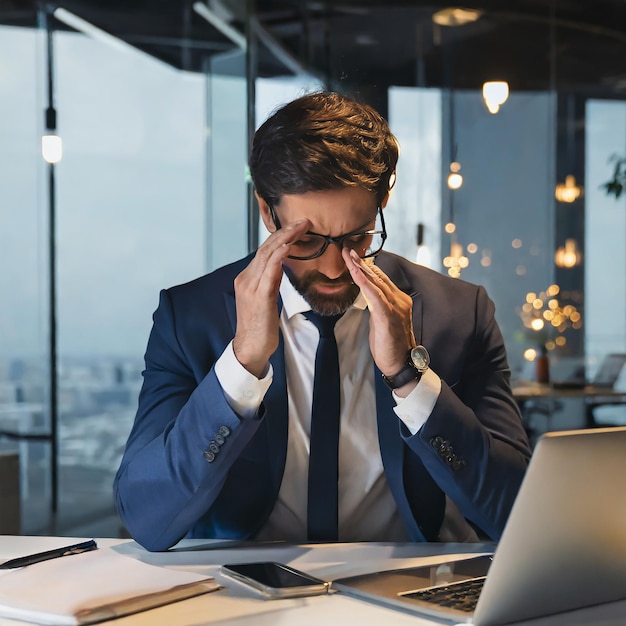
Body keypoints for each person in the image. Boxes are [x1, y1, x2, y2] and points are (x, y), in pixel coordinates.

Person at [114, 91, 531, 552]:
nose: (334, 267)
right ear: (266, 211)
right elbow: (147, 517)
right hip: (244, 596)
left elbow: (516, 513)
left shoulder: (459, 313)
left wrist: (410, 378)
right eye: (308, 239)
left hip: (410, 592)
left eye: (357, 236)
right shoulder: (190, 317)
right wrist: (241, 366)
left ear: (383, 201)